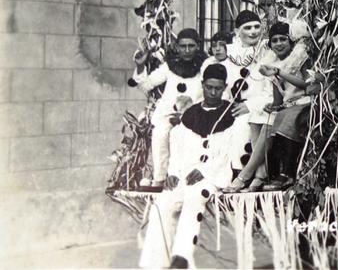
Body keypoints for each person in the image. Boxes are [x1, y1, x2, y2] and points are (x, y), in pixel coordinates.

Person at [139, 63, 250, 269]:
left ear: (225, 87)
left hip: (212, 176)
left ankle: (181, 257)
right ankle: (156, 262)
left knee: (194, 198)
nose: (213, 92)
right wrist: (172, 172)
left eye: (218, 88)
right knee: (163, 203)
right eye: (209, 87)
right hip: (184, 173)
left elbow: (229, 151)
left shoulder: (231, 114)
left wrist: (205, 170)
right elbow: (177, 144)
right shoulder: (191, 113)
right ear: (203, 85)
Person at [227, 21, 312, 191]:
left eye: (283, 39)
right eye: (274, 40)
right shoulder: (271, 62)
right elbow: (278, 99)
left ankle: (245, 175)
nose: (279, 44)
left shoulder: (300, 59)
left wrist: (280, 73)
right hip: (286, 106)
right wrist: (272, 105)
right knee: (256, 117)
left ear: (291, 42)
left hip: (303, 103)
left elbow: (307, 86)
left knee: (270, 122)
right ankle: (260, 175)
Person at [132, 28, 208, 189]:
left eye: (191, 46)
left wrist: (188, 113)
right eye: (183, 46)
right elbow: (146, 84)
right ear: (177, 47)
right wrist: (140, 67)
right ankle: (159, 178)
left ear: (198, 46)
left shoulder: (205, 66)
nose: (187, 50)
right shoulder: (169, 66)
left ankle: (188, 178)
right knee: (160, 134)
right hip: (168, 114)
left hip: (195, 116)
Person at [220, 10, 275, 191]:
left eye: (257, 27)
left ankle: (247, 176)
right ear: (237, 32)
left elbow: (271, 91)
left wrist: (249, 106)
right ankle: (230, 175)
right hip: (235, 108)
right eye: (247, 28)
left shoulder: (269, 52)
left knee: (243, 126)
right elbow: (224, 87)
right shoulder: (230, 55)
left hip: (262, 107)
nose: (253, 32)